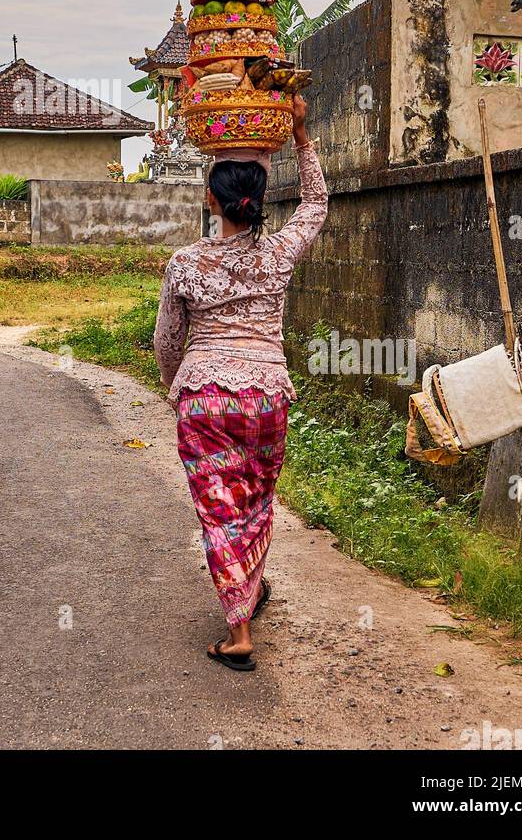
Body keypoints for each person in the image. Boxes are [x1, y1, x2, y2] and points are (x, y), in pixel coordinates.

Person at [154, 95, 327, 671]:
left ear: (212, 199)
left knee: (219, 511)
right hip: (266, 397)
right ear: (258, 200)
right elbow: (316, 205)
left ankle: (239, 633)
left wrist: (175, 387)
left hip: (205, 398)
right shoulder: (278, 253)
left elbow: (166, 341)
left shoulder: (185, 264)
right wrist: (302, 136)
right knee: (255, 501)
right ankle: (248, 587)